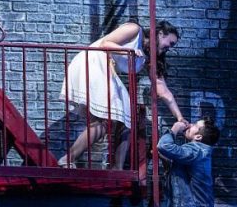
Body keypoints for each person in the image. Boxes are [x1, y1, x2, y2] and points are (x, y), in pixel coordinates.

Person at [58, 20, 186, 169]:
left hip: (103, 70)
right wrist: (128, 52)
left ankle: (115, 167)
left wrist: (180, 117)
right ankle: (70, 159)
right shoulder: (134, 30)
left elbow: (163, 91)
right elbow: (105, 43)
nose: (168, 49)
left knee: (123, 119)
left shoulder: (147, 57)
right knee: (114, 118)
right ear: (160, 34)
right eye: (170, 43)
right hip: (93, 62)